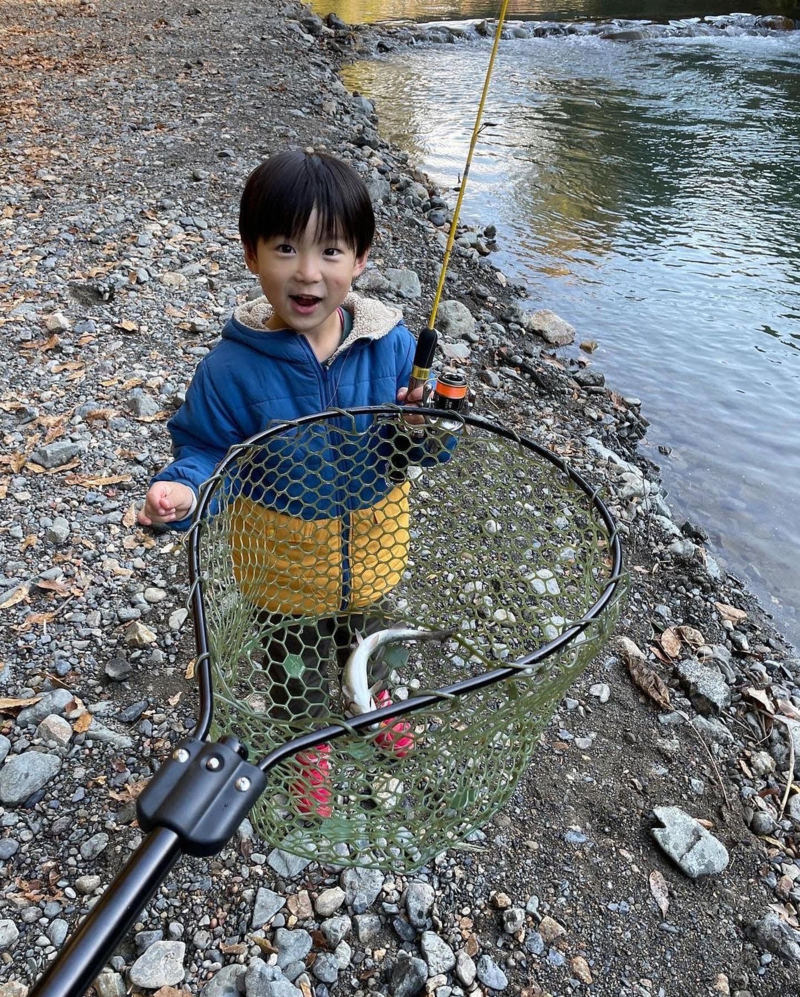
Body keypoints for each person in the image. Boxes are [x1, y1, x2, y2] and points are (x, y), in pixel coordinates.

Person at [139, 150, 425, 818]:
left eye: (330, 250)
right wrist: (180, 494)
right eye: (285, 247)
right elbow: (205, 449)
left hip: (374, 550)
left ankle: (374, 703)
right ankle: (308, 747)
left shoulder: (390, 344)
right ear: (251, 254)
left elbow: (426, 443)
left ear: (360, 258)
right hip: (282, 572)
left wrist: (433, 424)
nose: (307, 271)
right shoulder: (230, 368)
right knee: (293, 669)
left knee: (373, 643)